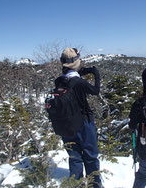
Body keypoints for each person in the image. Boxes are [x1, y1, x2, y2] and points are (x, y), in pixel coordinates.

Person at [55, 47, 102, 188]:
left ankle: (76, 184)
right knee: (91, 156)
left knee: (74, 157)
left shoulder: (59, 81)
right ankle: (95, 184)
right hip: (83, 123)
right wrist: (96, 75)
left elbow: (69, 82)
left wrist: (79, 72)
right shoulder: (79, 82)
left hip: (67, 125)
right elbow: (95, 91)